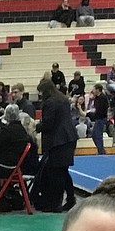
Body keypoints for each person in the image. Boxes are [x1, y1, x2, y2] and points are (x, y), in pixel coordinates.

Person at [37, 81, 78, 212]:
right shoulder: (63, 99)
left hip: (58, 141)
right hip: (69, 137)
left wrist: (36, 126)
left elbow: (48, 124)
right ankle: (70, 199)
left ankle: (55, 203)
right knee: (63, 171)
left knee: (56, 173)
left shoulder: (50, 103)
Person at [89, 83, 110, 155]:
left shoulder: (102, 98)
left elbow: (101, 110)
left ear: (97, 90)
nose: (92, 90)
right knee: (94, 135)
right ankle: (100, 149)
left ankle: (101, 151)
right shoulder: (97, 98)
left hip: (101, 118)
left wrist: (92, 114)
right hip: (98, 118)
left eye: (94, 89)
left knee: (98, 135)